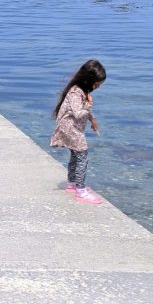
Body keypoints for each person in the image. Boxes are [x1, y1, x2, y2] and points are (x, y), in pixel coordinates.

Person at [50, 59, 107, 204]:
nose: (98, 87)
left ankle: (72, 184)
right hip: (71, 129)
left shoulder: (80, 90)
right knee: (83, 156)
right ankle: (80, 191)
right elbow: (78, 113)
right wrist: (88, 106)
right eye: (97, 84)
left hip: (70, 128)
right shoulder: (76, 92)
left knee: (75, 155)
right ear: (89, 80)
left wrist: (92, 120)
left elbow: (84, 113)